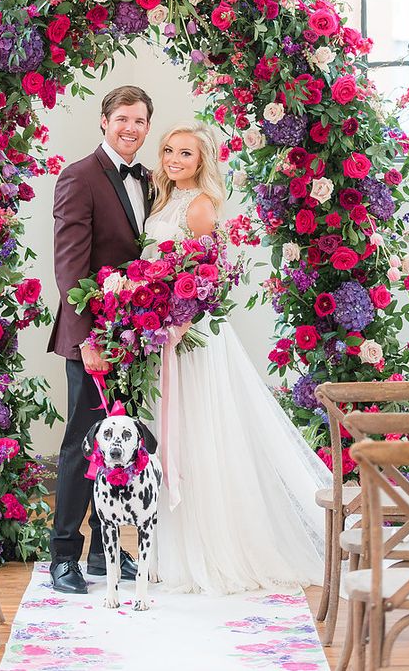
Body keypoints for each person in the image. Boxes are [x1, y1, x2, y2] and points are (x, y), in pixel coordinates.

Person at [142, 121, 332, 594]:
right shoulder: (162, 200)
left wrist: (181, 315)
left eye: (185, 153)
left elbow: (211, 276)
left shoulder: (201, 206)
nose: (174, 160)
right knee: (177, 430)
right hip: (166, 329)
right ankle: (178, 550)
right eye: (168, 150)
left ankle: (214, 548)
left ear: (202, 160)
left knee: (203, 428)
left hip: (193, 331)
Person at [47, 84, 154, 593]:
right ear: (104, 121)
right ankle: (63, 555)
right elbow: (69, 269)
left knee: (122, 444)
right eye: (122, 119)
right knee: (84, 443)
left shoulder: (150, 181)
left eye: (140, 121)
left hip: (135, 338)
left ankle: (99, 554)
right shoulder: (79, 177)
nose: (131, 128)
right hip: (92, 338)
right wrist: (88, 339)